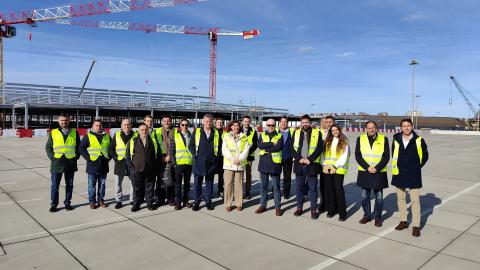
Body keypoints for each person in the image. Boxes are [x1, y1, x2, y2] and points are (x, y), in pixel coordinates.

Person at [392, 118, 428, 237]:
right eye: (404, 126)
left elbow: (425, 156)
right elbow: (394, 155)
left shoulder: (419, 140)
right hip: (399, 173)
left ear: (412, 126)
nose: (406, 128)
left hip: (413, 173)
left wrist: (417, 166)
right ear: (401, 127)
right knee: (401, 199)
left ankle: (416, 226)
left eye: (408, 125)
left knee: (415, 201)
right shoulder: (396, 139)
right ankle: (403, 221)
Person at [355, 120, 390, 227]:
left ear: (376, 128)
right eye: (369, 128)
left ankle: (378, 217)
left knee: (379, 197)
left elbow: (386, 156)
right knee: (365, 196)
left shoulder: (384, 139)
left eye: (373, 127)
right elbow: (358, 155)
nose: (371, 129)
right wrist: (367, 167)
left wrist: (377, 168)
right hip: (365, 172)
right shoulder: (360, 139)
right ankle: (367, 215)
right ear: (366, 129)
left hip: (378, 172)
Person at [45, 114, 81, 212]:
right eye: (62, 120)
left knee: (69, 185)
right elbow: (48, 147)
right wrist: (52, 157)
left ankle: (67, 203)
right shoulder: (54, 132)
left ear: (69, 121)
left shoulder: (74, 132)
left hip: (70, 162)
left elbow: (79, 146)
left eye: (66, 120)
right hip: (57, 163)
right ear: (58, 121)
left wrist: (76, 157)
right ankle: (54, 204)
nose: (64, 122)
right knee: (55, 186)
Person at [291, 115, 323, 219]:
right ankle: (299, 208)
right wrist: (299, 158)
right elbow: (291, 148)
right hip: (299, 164)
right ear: (301, 123)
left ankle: (313, 210)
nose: (305, 124)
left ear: (310, 122)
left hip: (312, 164)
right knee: (299, 187)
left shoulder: (317, 132)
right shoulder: (295, 133)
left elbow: (319, 148)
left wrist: (310, 159)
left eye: (306, 122)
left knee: (313, 188)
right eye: (303, 122)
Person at [189, 114, 221, 211]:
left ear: (212, 122)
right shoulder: (197, 131)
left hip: (211, 163)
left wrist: (216, 157)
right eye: (206, 121)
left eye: (210, 121)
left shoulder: (216, 132)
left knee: (209, 184)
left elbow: (220, 146)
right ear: (203, 122)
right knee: (197, 184)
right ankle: (197, 202)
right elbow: (191, 145)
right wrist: (195, 155)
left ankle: (208, 202)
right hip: (199, 162)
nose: (208, 123)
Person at [126, 123, 159, 211]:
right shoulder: (133, 140)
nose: (144, 131)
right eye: (142, 130)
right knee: (137, 188)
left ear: (148, 130)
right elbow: (127, 155)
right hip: (136, 168)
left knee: (150, 188)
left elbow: (156, 154)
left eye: (146, 130)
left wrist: (154, 166)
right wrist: (130, 167)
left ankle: (149, 204)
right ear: (138, 131)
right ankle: (136, 204)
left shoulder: (153, 140)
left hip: (150, 168)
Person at [79, 120, 111, 209]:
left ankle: (101, 200)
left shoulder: (107, 137)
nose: (98, 127)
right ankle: (92, 202)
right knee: (91, 185)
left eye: (100, 125)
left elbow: (112, 148)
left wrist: (108, 158)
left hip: (104, 165)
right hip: (92, 165)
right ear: (92, 127)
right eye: (96, 125)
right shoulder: (87, 137)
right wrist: (88, 158)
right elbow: (81, 148)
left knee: (102, 185)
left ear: (102, 126)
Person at [255, 118, 284, 216]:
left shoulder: (279, 136)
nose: (271, 127)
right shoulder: (262, 135)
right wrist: (271, 144)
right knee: (264, 187)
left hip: (274, 165)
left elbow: (278, 147)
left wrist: (266, 147)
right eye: (269, 125)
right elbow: (259, 145)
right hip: (263, 165)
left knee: (276, 188)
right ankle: (263, 205)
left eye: (272, 125)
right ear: (266, 125)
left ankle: (277, 207)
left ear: (275, 125)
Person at [322, 123, 350, 221]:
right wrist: (324, 165)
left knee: (338, 190)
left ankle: (342, 213)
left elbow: (344, 156)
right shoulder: (328, 141)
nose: (335, 132)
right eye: (333, 130)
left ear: (339, 130)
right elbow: (324, 155)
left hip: (339, 169)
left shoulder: (344, 141)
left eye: (336, 130)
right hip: (328, 168)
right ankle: (331, 210)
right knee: (330, 190)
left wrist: (335, 166)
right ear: (331, 132)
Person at [222, 120, 251, 212]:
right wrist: (233, 159)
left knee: (239, 185)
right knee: (228, 185)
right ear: (231, 127)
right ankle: (228, 203)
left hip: (240, 164)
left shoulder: (244, 137)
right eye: (234, 126)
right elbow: (224, 150)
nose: (236, 127)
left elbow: (246, 150)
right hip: (229, 164)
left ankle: (239, 203)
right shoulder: (226, 136)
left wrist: (240, 159)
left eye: (238, 126)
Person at [109, 118, 135, 209]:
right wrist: (116, 158)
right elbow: (111, 148)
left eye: (128, 124)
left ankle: (132, 199)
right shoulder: (117, 135)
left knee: (133, 182)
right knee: (117, 183)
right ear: (121, 126)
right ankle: (118, 200)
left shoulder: (135, 135)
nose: (126, 126)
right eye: (124, 125)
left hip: (131, 163)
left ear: (131, 126)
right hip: (120, 163)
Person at [170, 118, 193, 210]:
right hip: (179, 164)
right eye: (182, 125)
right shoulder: (176, 136)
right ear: (180, 126)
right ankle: (178, 202)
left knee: (187, 184)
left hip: (189, 163)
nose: (184, 126)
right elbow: (172, 151)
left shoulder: (192, 136)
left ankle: (186, 201)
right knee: (178, 185)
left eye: (186, 125)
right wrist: (174, 164)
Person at [154, 115, 176, 207]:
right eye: (165, 121)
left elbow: (177, 145)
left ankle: (171, 199)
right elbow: (156, 146)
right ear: (162, 122)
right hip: (161, 159)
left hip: (172, 159)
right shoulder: (157, 131)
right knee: (160, 181)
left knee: (171, 180)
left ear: (171, 122)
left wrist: (170, 156)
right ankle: (161, 199)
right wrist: (162, 157)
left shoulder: (175, 131)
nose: (166, 122)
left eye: (168, 121)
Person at [319, 115, 335, 212]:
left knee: (332, 186)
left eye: (329, 122)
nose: (327, 124)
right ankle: (323, 203)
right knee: (323, 185)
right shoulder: (320, 133)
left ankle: (332, 205)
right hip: (322, 164)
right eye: (326, 122)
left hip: (333, 165)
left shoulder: (336, 133)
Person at [276, 116, 295, 199]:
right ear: (279, 123)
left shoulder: (292, 132)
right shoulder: (276, 131)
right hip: (276, 158)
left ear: (287, 123)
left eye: (285, 122)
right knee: (276, 177)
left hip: (288, 158)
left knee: (287, 177)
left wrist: (292, 156)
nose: (283, 123)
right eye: (282, 121)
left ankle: (286, 193)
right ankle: (275, 193)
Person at [240, 115, 258, 199]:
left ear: (250, 122)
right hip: (239, 157)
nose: (247, 123)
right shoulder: (238, 129)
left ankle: (247, 192)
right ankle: (239, 192)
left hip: (249, 157)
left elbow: (255, 145)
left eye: (248, 121)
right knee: (239, 175)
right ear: (242, 122)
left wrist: (246, 153)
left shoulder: (253, 131)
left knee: (248, 175)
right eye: (245, 121)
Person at [215, 117, 225, 198]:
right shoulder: (212, 132)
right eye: (218, 122)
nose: (220, 124)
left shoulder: (225, 132)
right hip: (214, 157)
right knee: (210, 175)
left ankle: (220, 190)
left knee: (221, 175)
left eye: (221, 122)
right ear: (215, 123)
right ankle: (209, 190)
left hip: (222, 157)